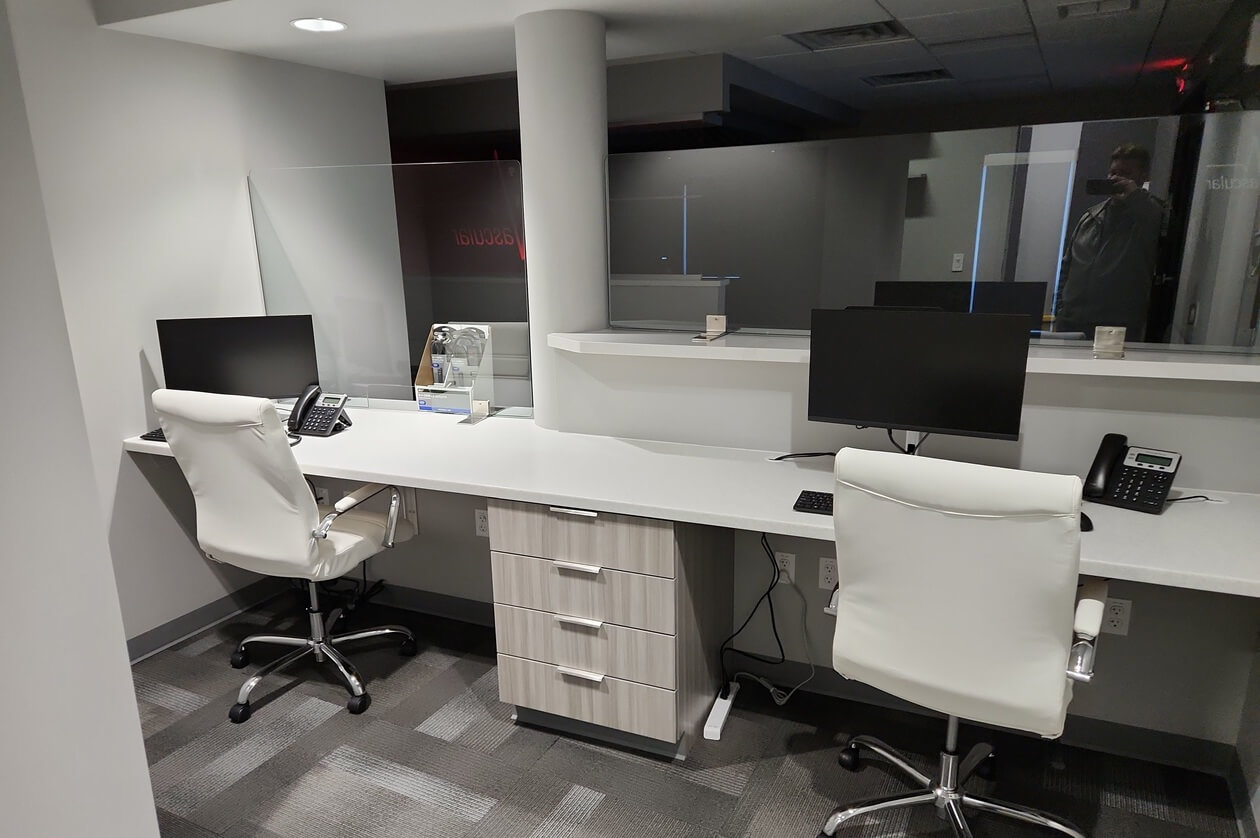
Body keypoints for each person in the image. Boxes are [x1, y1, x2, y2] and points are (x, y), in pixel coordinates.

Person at [1055, 143, 1166, 341]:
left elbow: (1158, 222)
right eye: (1113, 172)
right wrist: (1060, 309)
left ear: (1143, 177)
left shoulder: (1149, 215)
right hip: (1071, 322)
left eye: (1124, 173)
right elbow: (1067, 266)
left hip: (1116, 328)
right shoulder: (1090, 216)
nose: (1115, 179)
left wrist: (1134, 196)